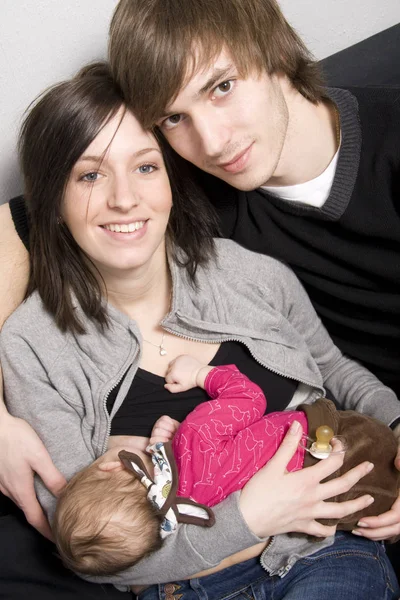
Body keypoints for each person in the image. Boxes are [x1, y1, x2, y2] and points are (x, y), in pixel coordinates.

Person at [1, 62, 399, 600]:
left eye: (145, 167)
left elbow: (332, 368)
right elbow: (91, 549)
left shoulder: (246, 273)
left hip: (325, 551)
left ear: (169, 180)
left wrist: (396, 426)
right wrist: (250, 517)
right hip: (189, 587)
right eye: (90, 175)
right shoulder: (34, 347)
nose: (124, 198)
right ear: (51, 201)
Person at [52, 354, 400, 578]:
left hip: (334, 516)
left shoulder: (193, 516)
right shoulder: (193, 439)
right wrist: (201, 374)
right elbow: (249, 398)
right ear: (111, 466)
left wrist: (164, 444)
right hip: (345, 440)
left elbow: (206, 478)